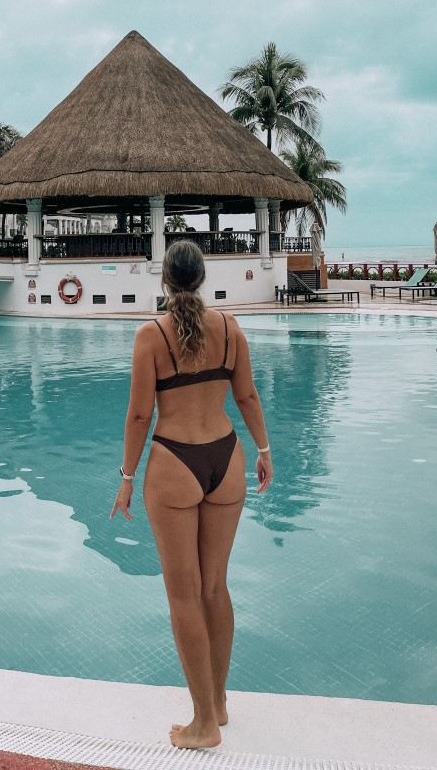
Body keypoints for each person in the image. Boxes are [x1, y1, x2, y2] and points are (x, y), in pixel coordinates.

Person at [111, 240, 273, 750]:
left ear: (165, 279)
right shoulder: (229, 328)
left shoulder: (151, 335)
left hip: (174, 464)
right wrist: (265, 449)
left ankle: (203, 723)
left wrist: (127, 477)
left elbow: (140, 416)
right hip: (227, 459)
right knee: (215, 589)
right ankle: (219, 703)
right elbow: (246, 394)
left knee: (184, 595)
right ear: (203, 278)